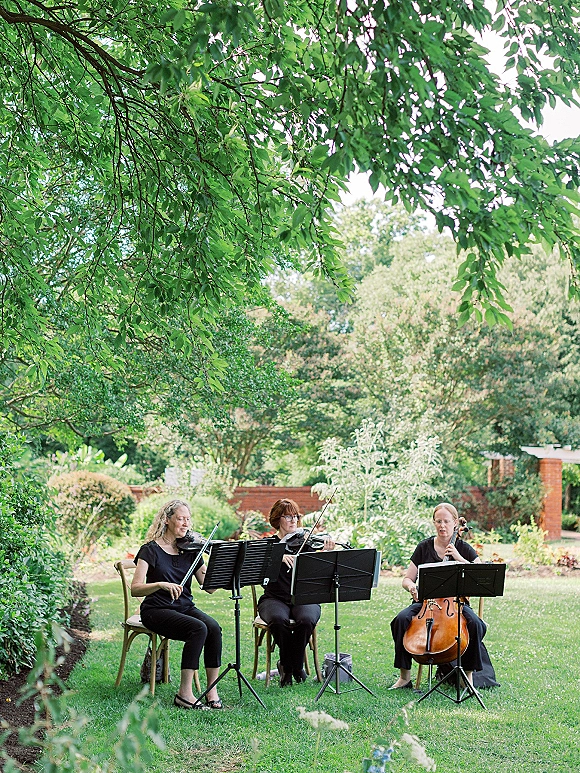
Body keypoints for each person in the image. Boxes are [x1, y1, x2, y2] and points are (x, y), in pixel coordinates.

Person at [131, 499, 223, 709]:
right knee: (198, 628)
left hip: (184, 607)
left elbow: (208, 587)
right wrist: (160, 584)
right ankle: (185, 694)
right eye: (180, 519)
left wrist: (223, 571)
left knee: (214, 628)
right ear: (167, 520)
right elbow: (135, 588)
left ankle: (211, 691)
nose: (185, 524)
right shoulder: (150, 550)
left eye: (188, 519)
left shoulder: (191, 550)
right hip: (156, 609)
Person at [389, 502, 487, 689]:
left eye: (446, 521)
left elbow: (479, 576)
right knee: (400, 620)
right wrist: (412, 587)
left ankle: (468, 678)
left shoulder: (464, 548)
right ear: (434, 523)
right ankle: (404, 677)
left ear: (455, 523)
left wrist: (458, 557)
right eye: (438, 521)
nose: (442, 526)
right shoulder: (424, 547)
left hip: (456, 605)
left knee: (475, 624)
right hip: (426, 602)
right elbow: (407, 579)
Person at [257, 499, 335, 687]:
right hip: (273, 598)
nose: (294, 520)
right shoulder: (268, 545)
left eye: (296, 516)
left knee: (306, 619)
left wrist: (324, 552)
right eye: (288, 516)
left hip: (304, 597)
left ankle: (289, 666)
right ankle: (293, 667)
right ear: (277, 519)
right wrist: (278, 557)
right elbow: (258, 574)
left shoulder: (306, 543)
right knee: (278, 619)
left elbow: (320, 573)